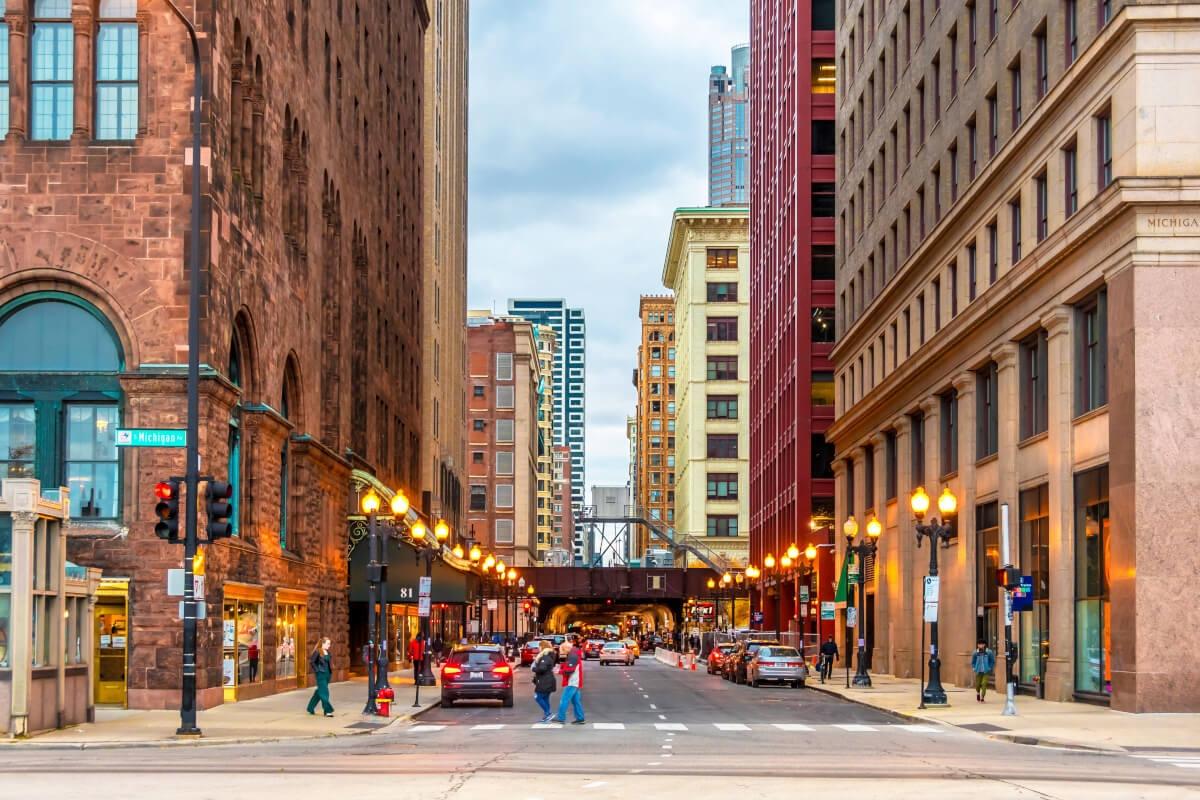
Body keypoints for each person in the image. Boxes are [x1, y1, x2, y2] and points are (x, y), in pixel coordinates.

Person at [554, 639, 586, 725]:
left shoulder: (572, 656)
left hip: (572, 681)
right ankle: (580, 718)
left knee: (564, 699)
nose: (563, 653)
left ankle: (561, 717)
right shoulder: (575, 654)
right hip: (576, 681)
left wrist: (559, 671)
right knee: (576, 701)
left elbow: (570, 669)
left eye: (562, 650)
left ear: (565, 648)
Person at [306, 637, 334, 717]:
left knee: (319, 692)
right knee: (325, 692)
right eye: (328, 643)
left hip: (327, 675)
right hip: (321, 674)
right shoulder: (318, 651)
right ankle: (328, 710)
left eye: (329, 643)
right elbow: (312, 662)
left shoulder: (327, 652)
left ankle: (310, 707)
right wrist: (317, 670)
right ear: (323, 643)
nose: (329, 645)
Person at [531, 640, 558, 723]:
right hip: (547, 681)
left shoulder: (545, 657)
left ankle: (548, 713)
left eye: (539, 646)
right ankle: (547, 716)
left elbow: (542, 669)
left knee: (538, 697)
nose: (538, 648)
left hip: (545, 681)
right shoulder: (549, 656)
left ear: (542, 647)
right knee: (545, 698)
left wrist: (533, 668)